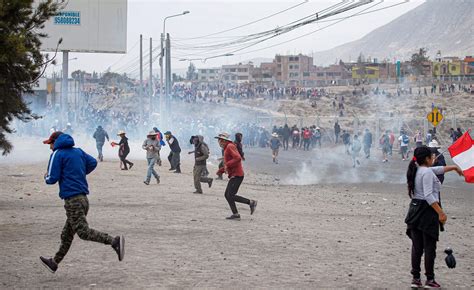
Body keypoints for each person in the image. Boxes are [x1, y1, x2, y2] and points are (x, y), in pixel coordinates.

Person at [39, 131, 124, 273]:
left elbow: (51, 179)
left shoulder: (57, 153)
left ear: (55, 142)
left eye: (50, 144)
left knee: (83, 232)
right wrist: (77, 173)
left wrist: (46, 177)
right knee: (66, 234)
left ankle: (114, 241)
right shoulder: (77, 151)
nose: (50, 147)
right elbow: (92, 162)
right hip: (83, 198)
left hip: (72, 200)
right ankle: (54, 262)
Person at [405, 146, 463, 288]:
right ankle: (429, 280)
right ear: (426, 159)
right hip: (427, 212)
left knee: (417, 247)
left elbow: (438, 170)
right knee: (429, 248)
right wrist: (441, 213)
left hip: (414, 210)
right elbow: (429, 195)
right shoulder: (427, 173)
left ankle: (415, 278)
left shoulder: (418, 169)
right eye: (432, 156)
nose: (434, 158)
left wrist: (454, 168)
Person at [215, 133, 257, 220]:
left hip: (237, 175)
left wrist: (226, 166)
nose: (218, 142)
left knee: (230, 195)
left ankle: (251, 202)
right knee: (227, 195)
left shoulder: (230, 146)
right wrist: (221, 170)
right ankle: (236, 214)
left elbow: (237, 158)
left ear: (223, 140)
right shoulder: (227, 148)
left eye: (219, 140)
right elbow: (229, 163)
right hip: (234, 175)